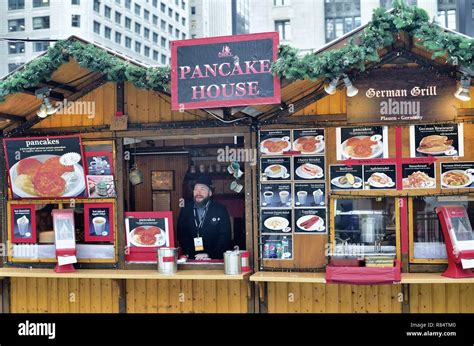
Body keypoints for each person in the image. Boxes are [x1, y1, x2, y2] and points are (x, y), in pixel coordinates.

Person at [177, 174, 232, 260]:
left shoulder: (220, 209)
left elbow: (225, 236)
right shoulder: (186, 209)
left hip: (214, 258)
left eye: (202, 189)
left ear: (210, 193)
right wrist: (192, 255)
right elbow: (182, 234)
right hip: (191, 258)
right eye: (195, 189)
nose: (198, 193)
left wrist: (209, 255)